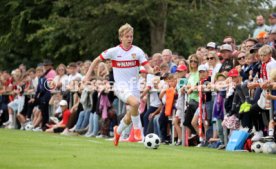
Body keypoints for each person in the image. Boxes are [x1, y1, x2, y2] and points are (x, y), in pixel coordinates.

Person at [84, 23, 153, 146]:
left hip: (134, 87)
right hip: (120, 86)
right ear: (121, 37)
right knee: (136, 103)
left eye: (131, 36)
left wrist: (155, 71)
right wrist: (88, 75)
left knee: (129, 115)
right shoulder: (114, 51)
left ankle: (118, 132)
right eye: (127, 36)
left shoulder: (137, 51)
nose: (129, 39)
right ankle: (138, 131)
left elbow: (148, 68)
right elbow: (96, 60)